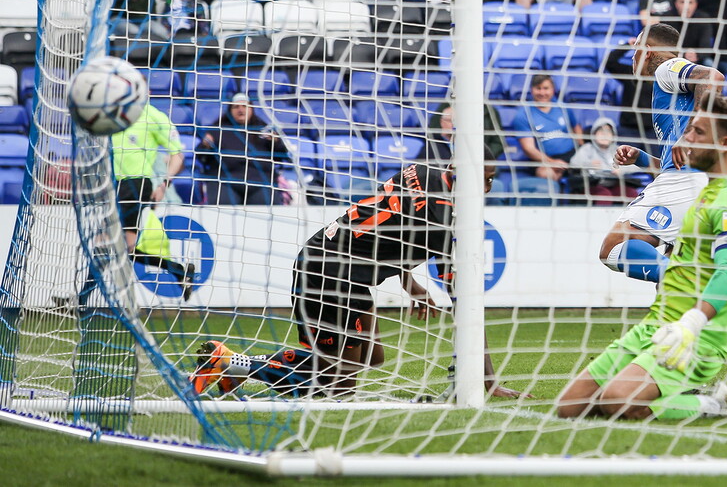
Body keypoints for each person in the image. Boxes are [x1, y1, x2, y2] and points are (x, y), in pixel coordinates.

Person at [190, 148, 527, 399]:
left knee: (371, 355)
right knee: (337, 387)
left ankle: (234, 367)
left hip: (336, 261)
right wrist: (488, 381)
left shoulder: (421, 170)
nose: (487, 189)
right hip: (329, 274)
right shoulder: (444, 225)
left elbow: (395, 231)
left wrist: (412, 285)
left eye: (491, 179)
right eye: (486, 179)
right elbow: (467, 307)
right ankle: (233, 363)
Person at [556, 94, 727, 421]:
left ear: (724, 144)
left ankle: (711, 405)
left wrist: (692, 323)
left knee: (617, 402)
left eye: (696, 132)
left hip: (694, 336)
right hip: (656, 324)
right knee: (569, 407)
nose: (685, 139)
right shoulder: (709, 187)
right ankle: (657, 387)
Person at [598, 23, 724, 285]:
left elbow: (711, 77)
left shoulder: (668, 67)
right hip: (695, 182)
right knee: (667, 289)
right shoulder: (670, 94)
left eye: (635, 50)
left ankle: (690, 283)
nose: (633, 57)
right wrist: (641, 159)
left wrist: (691, 132)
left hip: (685, 182)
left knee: (614, 247)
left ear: (648, 50)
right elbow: (673, 162)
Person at [55, 104, 194, 307]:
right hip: (114, 185)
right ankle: (179, 270)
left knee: (103, 244)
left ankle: (80, 301)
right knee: (124, 249)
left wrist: (164, 184)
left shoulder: (154, 116)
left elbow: (177, 154)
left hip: (136, 184)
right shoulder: (112, 113)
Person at [196, 93, 290, 205]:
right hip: (225, 181)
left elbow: (282, 155)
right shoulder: (217, 129)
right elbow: (200, 156)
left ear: (251, 109)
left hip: (260, 182)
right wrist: (205, 145)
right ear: (230, 111)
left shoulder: (264, 129)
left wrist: (276, 141)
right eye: (236, 107)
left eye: (245, 106)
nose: (240, 110)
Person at [512, 74, 582, 183]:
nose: (542, 93)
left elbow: (576, 127)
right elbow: (528, 148)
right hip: (543, 160)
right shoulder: (524, 114)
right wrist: (552, 162)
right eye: (538, 88)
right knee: (546, 174)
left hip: (571, 155)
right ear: (531, 90)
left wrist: (582, 149)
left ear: (553, 90)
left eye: (546, 88)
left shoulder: (562, 107)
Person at [569, 117, 644, 206]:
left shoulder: (618, 149)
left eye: (608, 132)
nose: (604, 135)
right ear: (594, 134)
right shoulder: (587, 148)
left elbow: (636, 166)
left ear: (613, 135)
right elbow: (573, 163)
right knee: (604, 194)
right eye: (601, 132)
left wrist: (621, 170)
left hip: (614, 184)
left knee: (631, 193)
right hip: (591, 186)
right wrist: (589, 164)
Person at [664, 0, 715, 68]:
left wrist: (697, 54)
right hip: (673, 58)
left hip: (698, 58)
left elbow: (706, 46)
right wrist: (684, 54)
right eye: (682, 2)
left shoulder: (704, 18)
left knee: (709, 64)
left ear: (695, 4)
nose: (686, 7)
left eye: (690, 2)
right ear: (676, 4)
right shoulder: (667, 18)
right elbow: (665, 46)